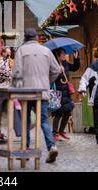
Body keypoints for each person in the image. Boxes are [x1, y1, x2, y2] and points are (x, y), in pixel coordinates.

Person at [12, 28, 61, 163]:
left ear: (25, 38)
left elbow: (16, 73)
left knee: (26, 121)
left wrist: (14, 87)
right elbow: (57, 70)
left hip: (26, 92)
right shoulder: (46, 51)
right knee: (44, 121)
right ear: (37, 38)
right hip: (42, 92)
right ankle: (52, 147)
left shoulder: (21, 51)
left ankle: (26, 149)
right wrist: (47, 81)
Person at [52, 48, 80, 142]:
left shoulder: (66, 63)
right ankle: (54, 133)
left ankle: (61, 131)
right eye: (63, 54)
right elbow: (50, 78)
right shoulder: (53, 65)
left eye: (65, 54)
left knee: (68, 111)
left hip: (66, 92)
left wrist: (76, 58)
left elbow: (75, 67)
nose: (64, 55)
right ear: (58, 55)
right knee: (58, 113)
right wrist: (58, 72)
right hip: (58, 92)